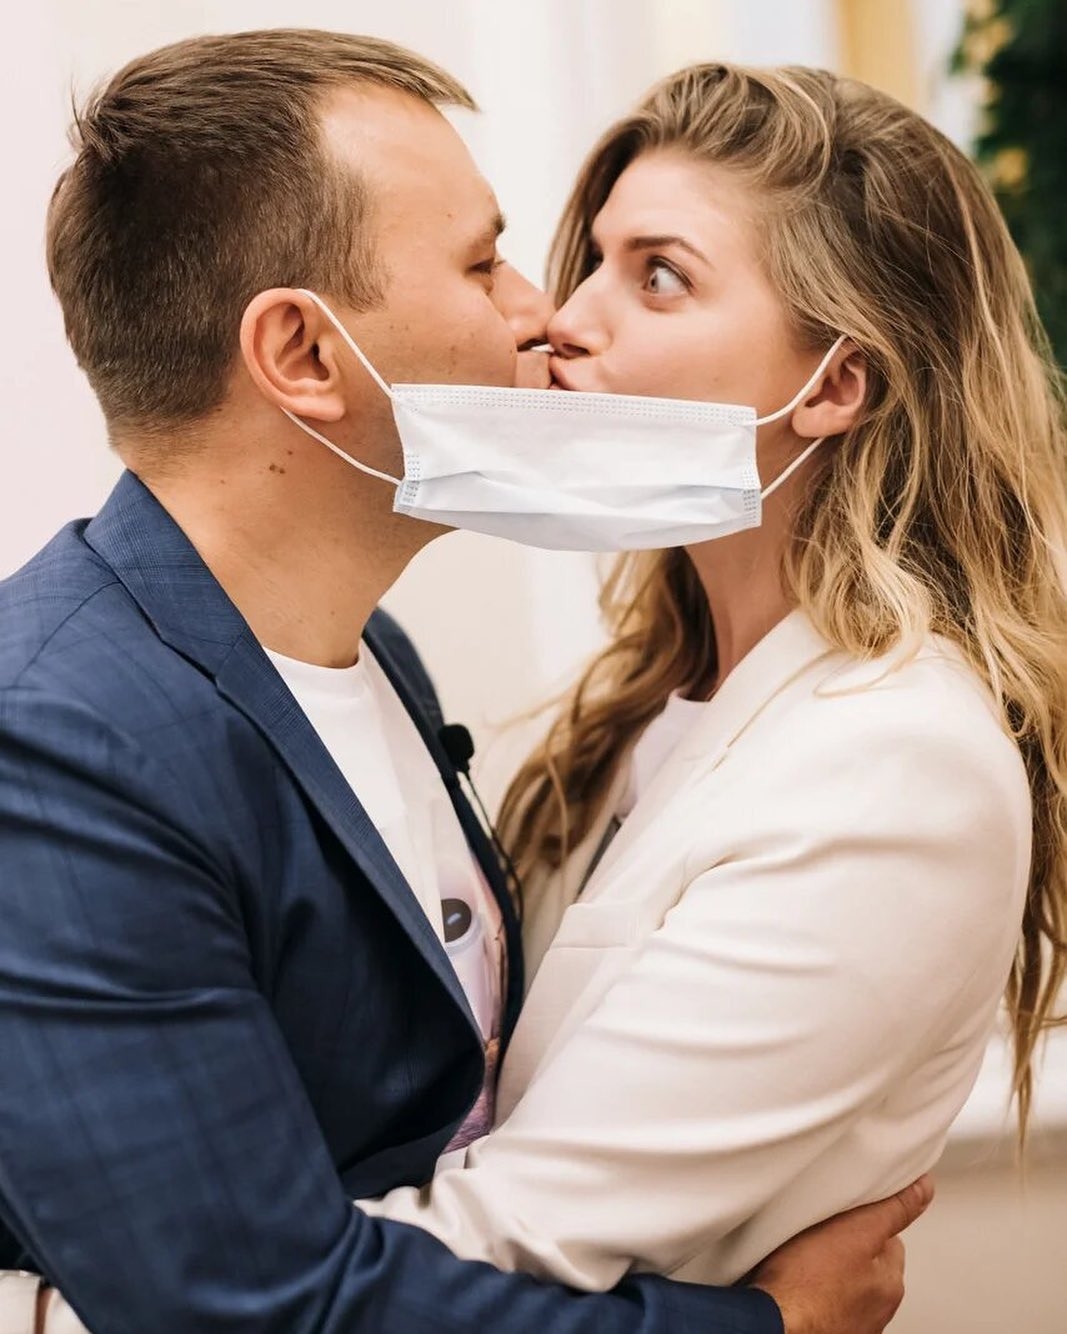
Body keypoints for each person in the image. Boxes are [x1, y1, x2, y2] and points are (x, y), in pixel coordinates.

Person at [0, 31, 925, 1334]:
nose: (541, 312)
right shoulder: (55, 744)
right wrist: (765, 1326)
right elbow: (250, 1308)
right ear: (303, 353)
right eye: (482, 262)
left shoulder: (372, 652)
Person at [356, 61, 1067, 1289]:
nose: (566, 317)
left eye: (658, 277)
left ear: (833, 383)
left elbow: (517, 1239)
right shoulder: (649, 707)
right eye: (592, 260)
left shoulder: (897, 763)